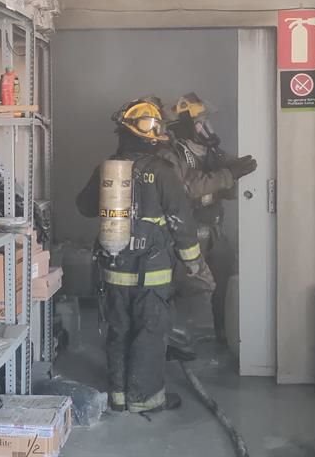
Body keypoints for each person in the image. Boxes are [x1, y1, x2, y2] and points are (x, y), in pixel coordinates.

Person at [76, 97, 201, 414]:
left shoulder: (107, 169)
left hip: (113, 268)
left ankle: (117, 396)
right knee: (149, 333)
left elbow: (84, 206)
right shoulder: (163, 172)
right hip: (152, 272)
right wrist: (193, 261)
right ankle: (145, 399)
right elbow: (181, 220)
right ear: (153, 136)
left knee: (118, 331)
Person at [160, 93, 257, 345]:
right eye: (200, 123)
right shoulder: (171, 156)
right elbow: (187, 189)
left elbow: (228, 184)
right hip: (186, 234)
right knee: (187, 288)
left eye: (206, 122)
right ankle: (177, 342)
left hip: (215, 230)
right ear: (185, 127)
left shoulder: (213, 153)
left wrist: (239, 171)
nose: (207, 128)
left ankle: (224, 337)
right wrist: (227, 175)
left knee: (223, 287)